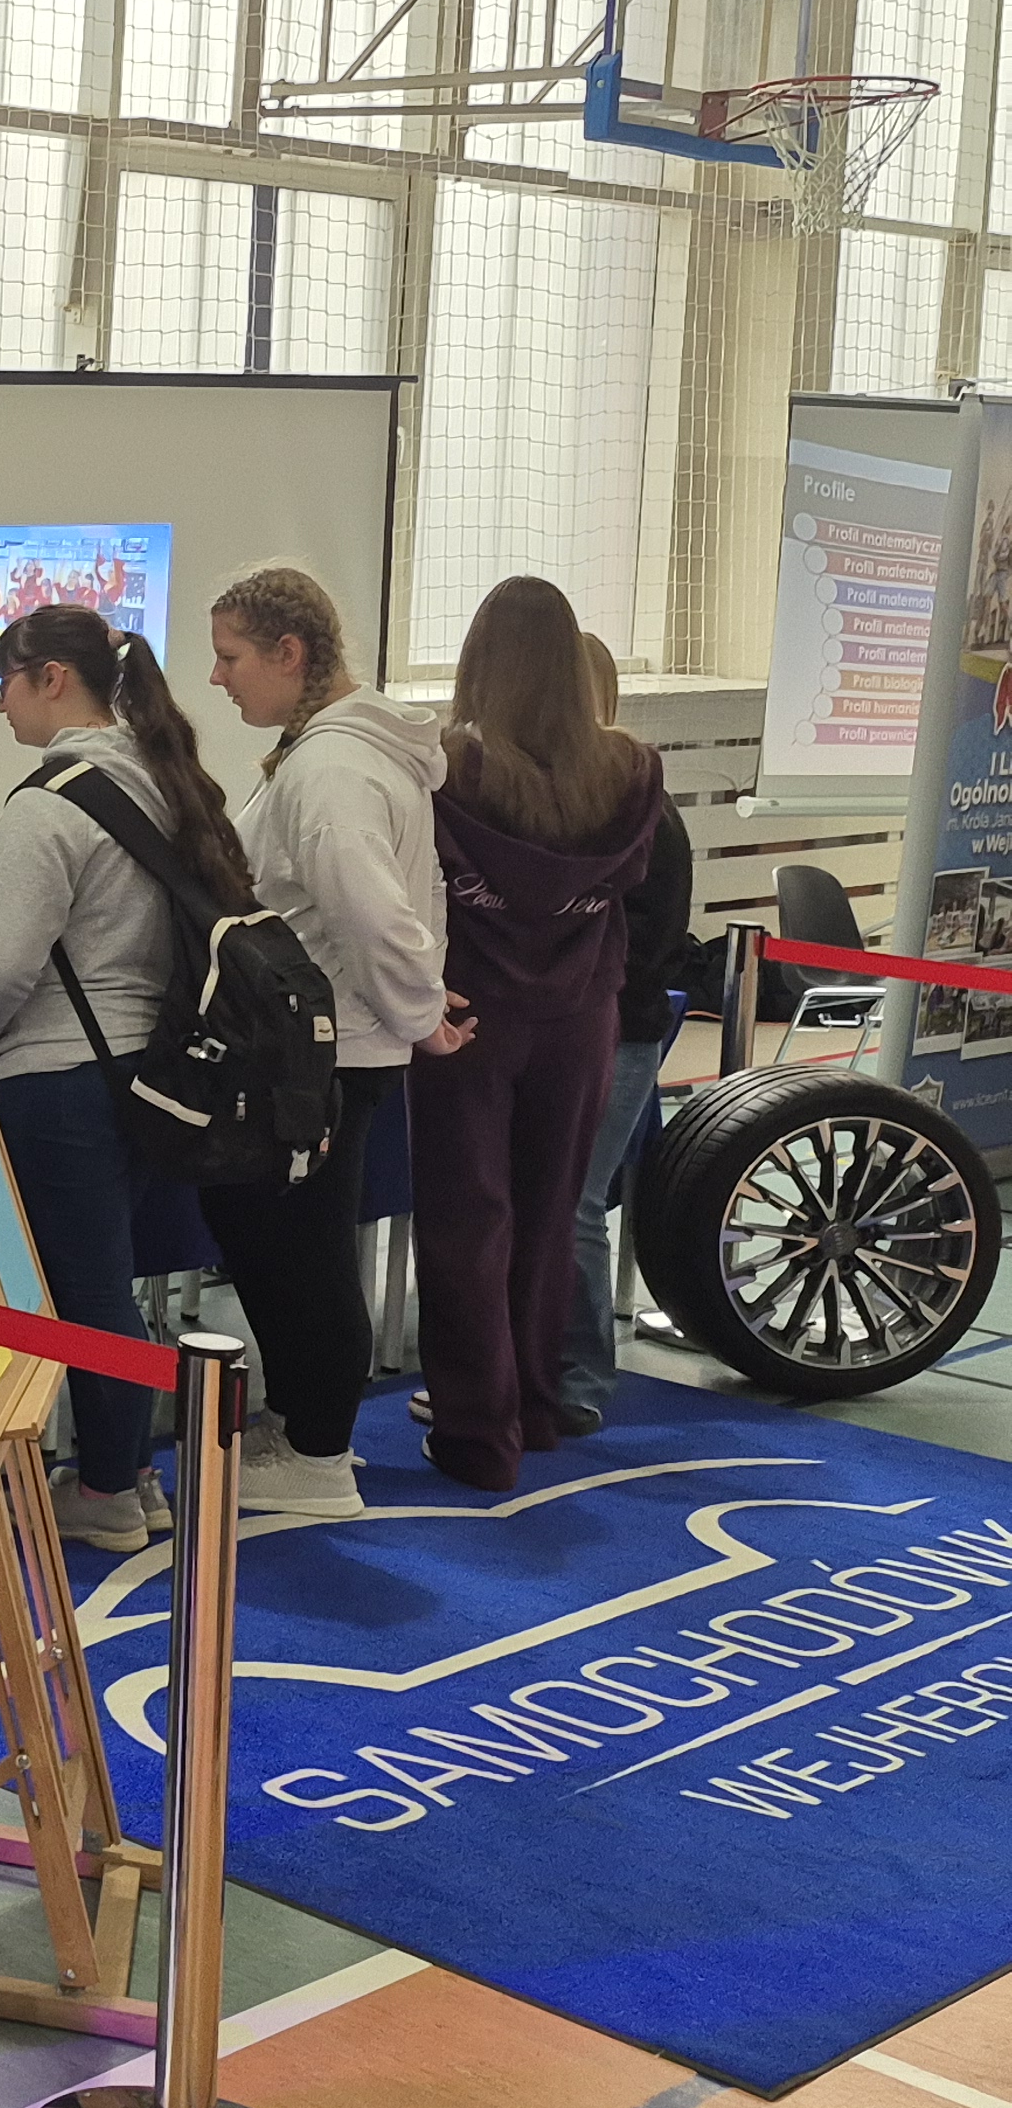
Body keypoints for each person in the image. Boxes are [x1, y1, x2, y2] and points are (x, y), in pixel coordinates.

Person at [0, 605, 258, 1553]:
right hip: (151, 1074)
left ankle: (105, 1492)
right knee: (110, 1283)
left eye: (2, 683)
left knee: (88, 1297)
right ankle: (127, 1473)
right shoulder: (168, 782)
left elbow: (3, 968)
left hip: (59, 1080)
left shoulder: (49, 804)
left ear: (52, 678)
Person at [204, 564, 452, 1521]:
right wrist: (417, 1001)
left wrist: (420, 1013)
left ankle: (317, 1455)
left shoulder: (331, 769)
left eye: (230, 658)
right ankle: (304, 1426)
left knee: (300, 1255)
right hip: (327, 1043)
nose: (218, 678)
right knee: (280, 1245)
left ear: (289, 653)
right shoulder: (333, 755)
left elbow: (373, 914)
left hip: (323, 1054)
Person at [412, 579, 664, 1490]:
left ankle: (479, 1432)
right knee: (551, 1216)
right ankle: (538, 1407)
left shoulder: (451, 766)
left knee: (466, 1221)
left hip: (468, 1016)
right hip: (581, 1018)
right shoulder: (632, 770)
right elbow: (633, 883)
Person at [560, 632, 691, 1426]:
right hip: (579, 1026)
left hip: (616, 1031)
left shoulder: (638, 803)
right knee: (547, 1202)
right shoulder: (579, 796)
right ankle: (531, 1370)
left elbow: (646, 946)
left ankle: (578, 1380)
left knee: (574, 1202)